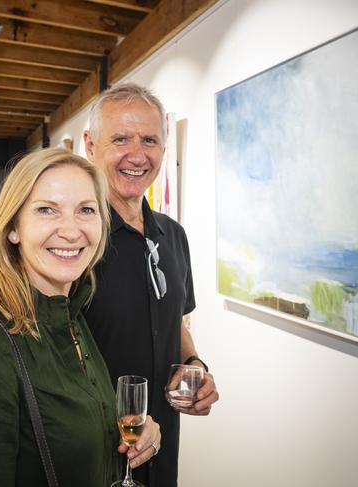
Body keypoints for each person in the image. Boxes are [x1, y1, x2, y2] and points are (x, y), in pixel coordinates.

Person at [0, 148, 161, 486]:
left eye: (86, 210)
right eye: (47, 210)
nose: (71, 230)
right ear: (13, 228)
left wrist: (131, 434)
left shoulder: (73, 319)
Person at [83, 83, 220, 487]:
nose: (137, 155)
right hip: (95, 449)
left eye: (149, 140)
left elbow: (174, 318)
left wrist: (194, 366)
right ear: (91, 145)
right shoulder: (76, 240)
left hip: (162, 446)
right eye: (120, 139)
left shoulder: (173, 235)